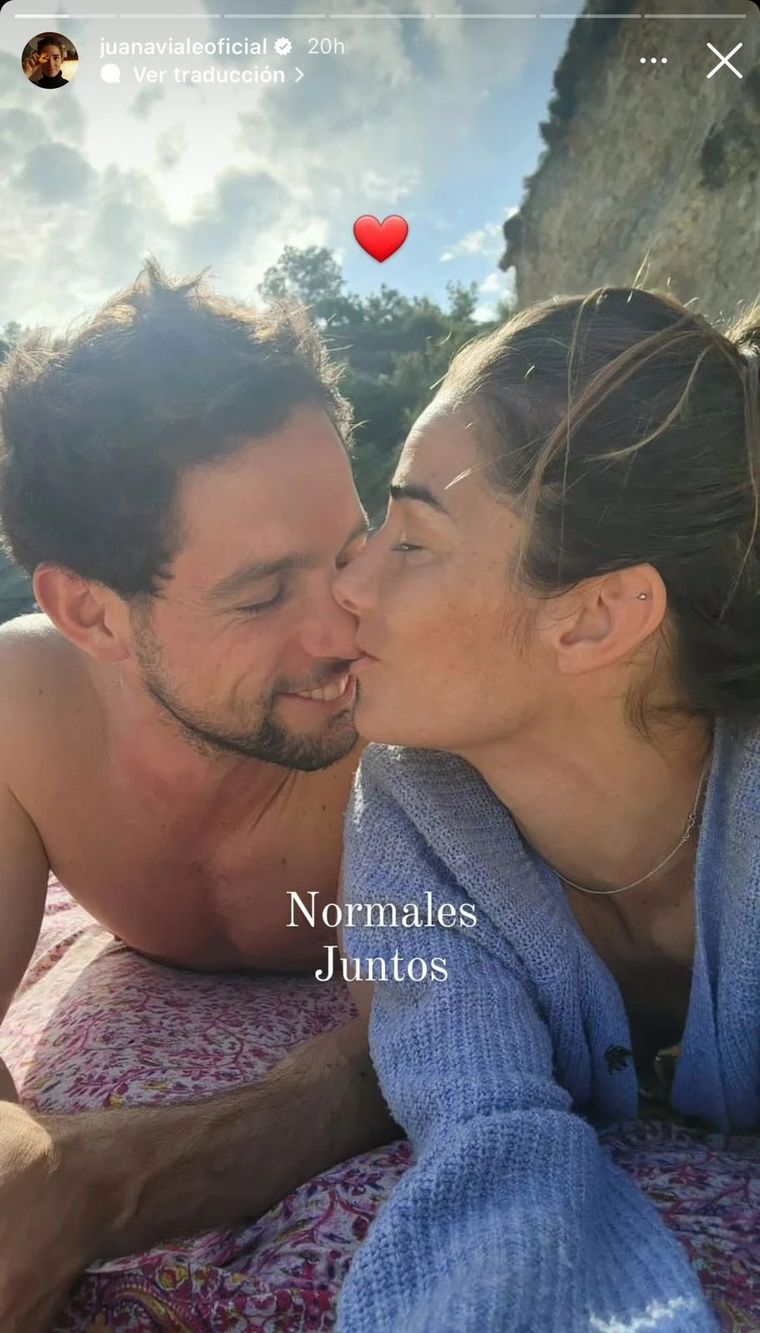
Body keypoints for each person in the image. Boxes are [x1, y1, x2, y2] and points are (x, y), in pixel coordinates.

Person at [329, 286, 760, 1331]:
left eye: (411, 540)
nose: (348, 582)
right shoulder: (408, 803)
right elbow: (479, 1119)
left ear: (595, 617)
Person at [0, 262, 391, 1329]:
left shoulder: (404, 719)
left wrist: (91, 1184)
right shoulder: (24, 713)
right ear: (92, 614)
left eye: (351, 553)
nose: (347, 629)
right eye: (263, 593)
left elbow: (436, 1022)